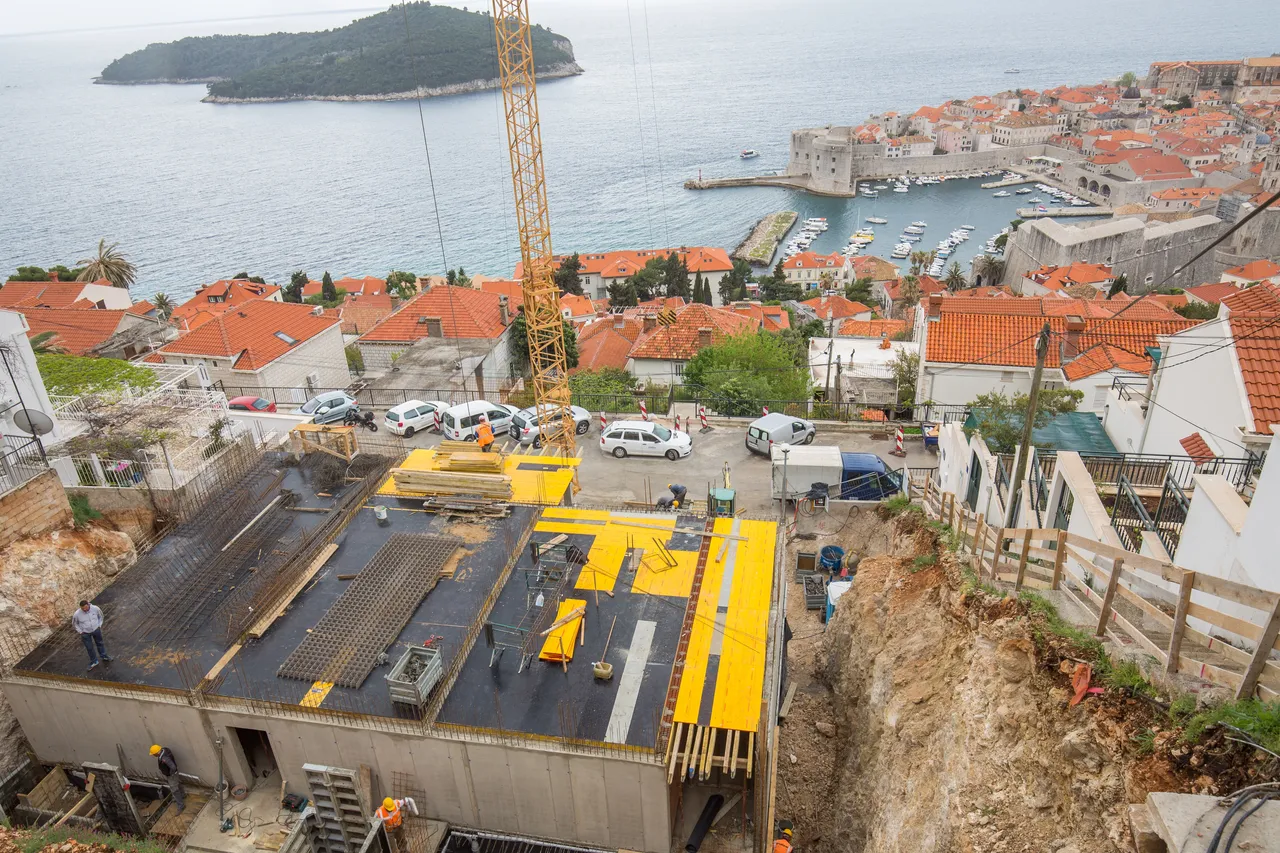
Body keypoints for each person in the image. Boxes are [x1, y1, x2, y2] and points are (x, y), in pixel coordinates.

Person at [72, 600, 111, 671]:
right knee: (89, 648)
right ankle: (94, 661)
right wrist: (80, 631)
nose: (84, 609)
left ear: (88, 605)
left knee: (100, 643)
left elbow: (101, 616)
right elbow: (75, 624)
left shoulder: (95, 608)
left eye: (85, 608)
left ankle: (104, 656)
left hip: (96, 630)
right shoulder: (77, 614)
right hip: (85, 633)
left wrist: (99, 625)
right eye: (82, 608)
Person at [151, 744, 185, 812]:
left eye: (153, 754)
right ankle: (182, 795)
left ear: (157, 752)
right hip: (173, 774)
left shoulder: (164, 758)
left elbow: (173, 767)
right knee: (177, 783)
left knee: (174, 790)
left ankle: (181, 806)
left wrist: (170, 774)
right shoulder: (164, 750)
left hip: (171, 775)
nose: (153, 755)